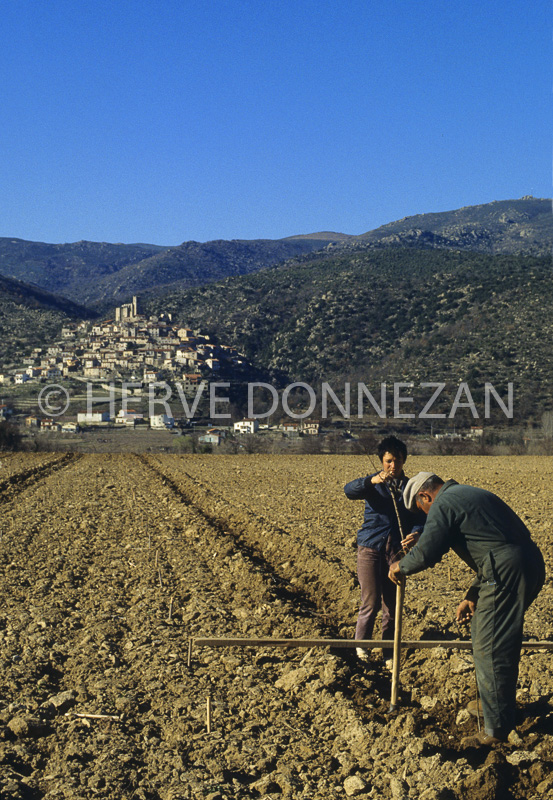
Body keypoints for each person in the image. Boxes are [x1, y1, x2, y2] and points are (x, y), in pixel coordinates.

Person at [389, 472, 546, 748]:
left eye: (421, 509)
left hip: (506, 569)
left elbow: (427, 552)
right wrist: (473, 593)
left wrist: (400, 566)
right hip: (527, 564)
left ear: (425, 496)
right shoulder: (469, 494)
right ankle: (496, 705)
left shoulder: (443, 503)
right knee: (495, 636)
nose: (425, 515)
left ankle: (496, 727)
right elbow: (494, 546)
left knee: (489, 643)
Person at [344, 436, 425, 664]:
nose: (392, 465)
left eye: (397, 460)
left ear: (403, 461)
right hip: (370, 548)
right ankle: (362, 649)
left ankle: (389, 653)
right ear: (382, 461)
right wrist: (372, 481)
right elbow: (349, 491)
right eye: (388, 461)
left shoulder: (411, 487)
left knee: (392, 605)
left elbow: (421, 517)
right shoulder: (373, 484)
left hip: (397, 553)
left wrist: (417, 533)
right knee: (370, 601)